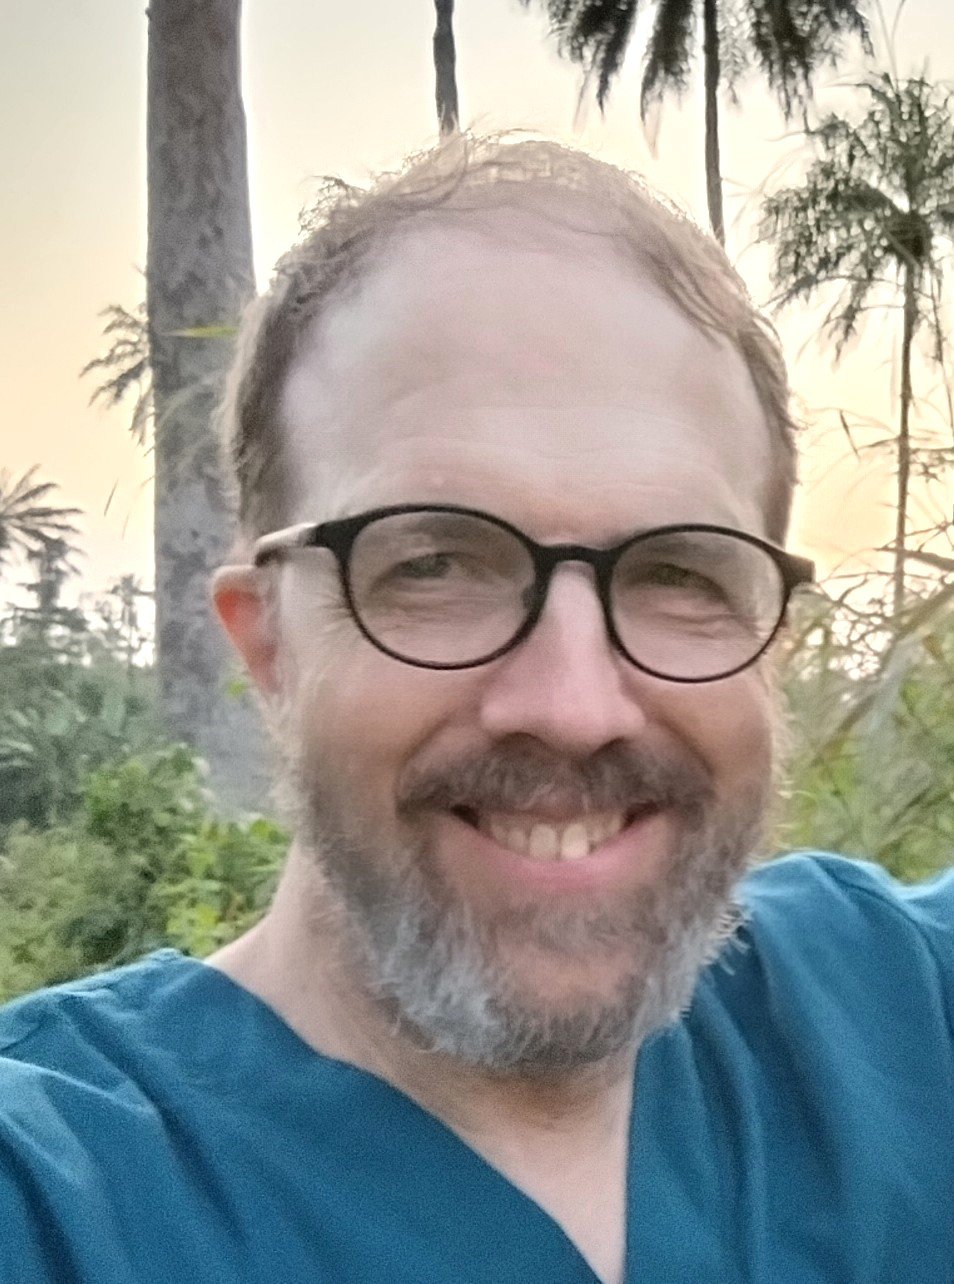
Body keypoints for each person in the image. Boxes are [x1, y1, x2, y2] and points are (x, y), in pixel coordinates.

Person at [1, 136, 951, 1284]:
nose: (573, 706)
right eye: (434, 565)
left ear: (772, 633)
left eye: (679, 573)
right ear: (267, 640)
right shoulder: (61, 1199)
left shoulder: (902, 1016)